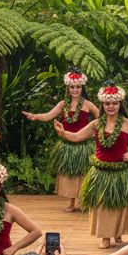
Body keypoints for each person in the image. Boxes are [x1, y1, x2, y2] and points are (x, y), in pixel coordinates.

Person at [56, 81, 128, 248]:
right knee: (102, 206)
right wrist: (63, 132)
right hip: (101, 172)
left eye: (114, 103)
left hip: (121, 172)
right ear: (102, 104)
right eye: (107, 103)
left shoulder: (127, 124)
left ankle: (118, 234)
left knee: (120, 204)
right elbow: (77, 136)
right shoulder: (97, 123)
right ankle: (105, 238)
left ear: (120, 104)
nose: (111, 106)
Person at [22, 68, 98, 212]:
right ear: (68, 88)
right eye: (72, 87)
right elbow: (48, 115)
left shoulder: (88, 105)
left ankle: (85, 202)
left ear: (82, 88)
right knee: (70, 174)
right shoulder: (63, 104)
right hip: (67, 145)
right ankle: (72, 202)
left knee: (84, 173)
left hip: (83, 144)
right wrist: (35, 116)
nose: (75, 90)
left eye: (78, 87)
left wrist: (93, 133)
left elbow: (101, 120)